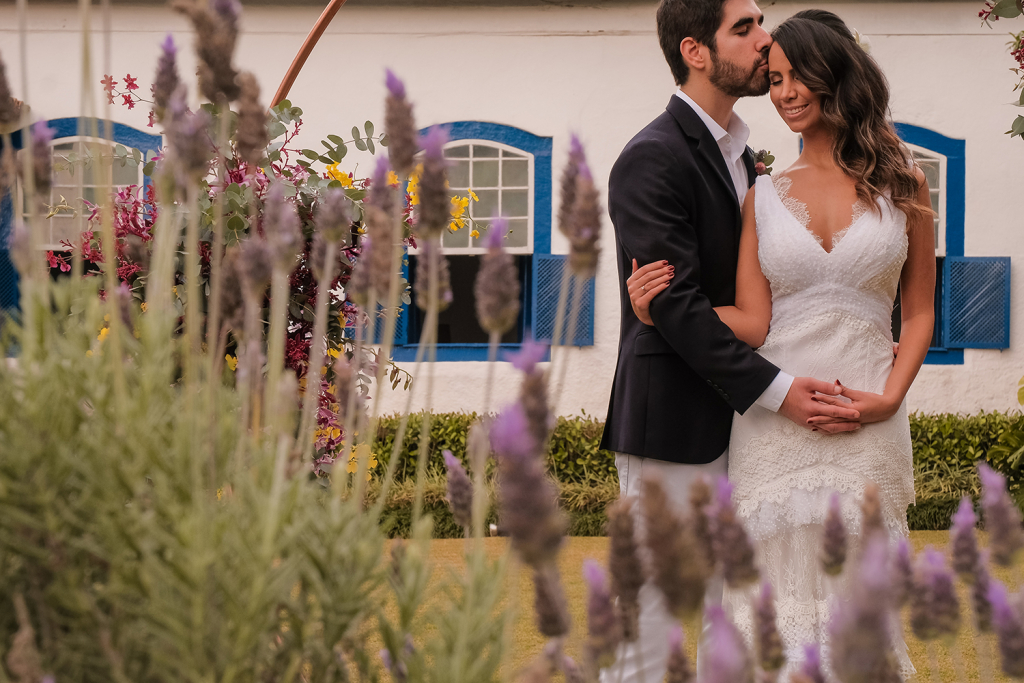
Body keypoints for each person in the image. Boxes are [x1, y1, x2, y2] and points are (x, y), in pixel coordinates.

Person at [628, 9, 934, 679]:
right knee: (766, 611)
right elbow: (754, 322)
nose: (787, 92)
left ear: (839, 75)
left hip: (867, 420)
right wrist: (667, 310)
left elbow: (916, 316)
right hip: (772, 431)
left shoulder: (907, 188)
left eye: (800, 76)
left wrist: (888, 398)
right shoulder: (760, 195)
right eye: (776, 79)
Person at [598, 0, 864, 680]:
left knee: (734, 622)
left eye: (759, 21)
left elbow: (738, 301)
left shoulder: (748, 158)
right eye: (743, 28)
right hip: (674, 430)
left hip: (749, 437)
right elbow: (675, 303)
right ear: (695, 51)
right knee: (650, 629)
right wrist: (779, 392)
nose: (763, 38)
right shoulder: (651, 157)